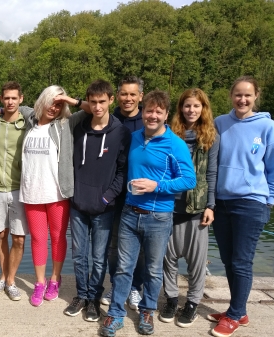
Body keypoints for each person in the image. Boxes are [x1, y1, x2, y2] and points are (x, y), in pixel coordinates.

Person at [101, 90, 196, 337]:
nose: (152, 116)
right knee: (123, 267)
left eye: (158, 112)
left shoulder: (175, 144)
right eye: (149, 110)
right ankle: (115, 313)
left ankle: (147, 311)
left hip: (159, 217)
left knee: (153, 270)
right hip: (130, 214)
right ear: (143, 111)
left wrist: (158, 186)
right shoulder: (132, 137)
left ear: (166, 115)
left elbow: (189, 179)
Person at [208, 76, 274, 337]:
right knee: (229, 261)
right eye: (238, 95)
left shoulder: (269, 127)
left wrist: (269, 200)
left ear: (256, 97)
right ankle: (238, 310)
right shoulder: (220, 123)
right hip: (221, 203)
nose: (242, 99)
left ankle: (234, 314)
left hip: (251, 203)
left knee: (242, 261)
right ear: (231, 96)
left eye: (247, 95)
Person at [62, 80, 131, 320]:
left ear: (111, 100)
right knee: (79, 255)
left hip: (104, 207)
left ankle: (94, 298)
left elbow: (123, 172)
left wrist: (106, 196)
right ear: (88, 103)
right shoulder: (79, 128)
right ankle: (81, 295)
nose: (98, 106)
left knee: (99, 257)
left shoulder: (121, 133)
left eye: (102, 101)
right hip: (78, 204)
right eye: (93, 102)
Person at [159, 88, 219, 328]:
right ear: (180, 108)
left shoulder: (211, 136)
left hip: (198, 208)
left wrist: (211, 206)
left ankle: (192, 303)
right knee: (168, 259)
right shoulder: (171, 135)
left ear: (203, 108)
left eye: (196, 106)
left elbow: (212, 173)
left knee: (197, 262)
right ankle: (172, 299)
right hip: (171, 206)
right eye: (187, 106)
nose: (191, 110)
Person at [20, 84, 78, 307]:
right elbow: (15, 104)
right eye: (51, 102)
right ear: (42, 101)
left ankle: (55, 278)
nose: (54, 108)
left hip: (57, 194)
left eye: (59, 104)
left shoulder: (65, 124)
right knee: (37, 239)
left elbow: (92, 109)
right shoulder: (30, 120)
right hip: (32, 193)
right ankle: (39, 282)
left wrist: (68, 100)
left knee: (57, 237)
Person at [101, 76, 146, 309]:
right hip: (114, 194)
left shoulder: (149, 119)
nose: (128, 98)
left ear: (140, 96)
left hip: (141, 195)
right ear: (116, 96)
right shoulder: (110, 118)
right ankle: (117, 285)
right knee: (113, 246)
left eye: (132, 94)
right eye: (124, 94)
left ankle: (135, 287)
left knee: (137, 248)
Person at [0, 81, 31, 301]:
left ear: (21, 99)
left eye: (14, 98)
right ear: (1, 99)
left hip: (19, 188)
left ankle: (12, 281)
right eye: (6, 98)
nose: (10, 102)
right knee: (1, 234)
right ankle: (3, 277)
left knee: (19, 239)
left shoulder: (28, 123)